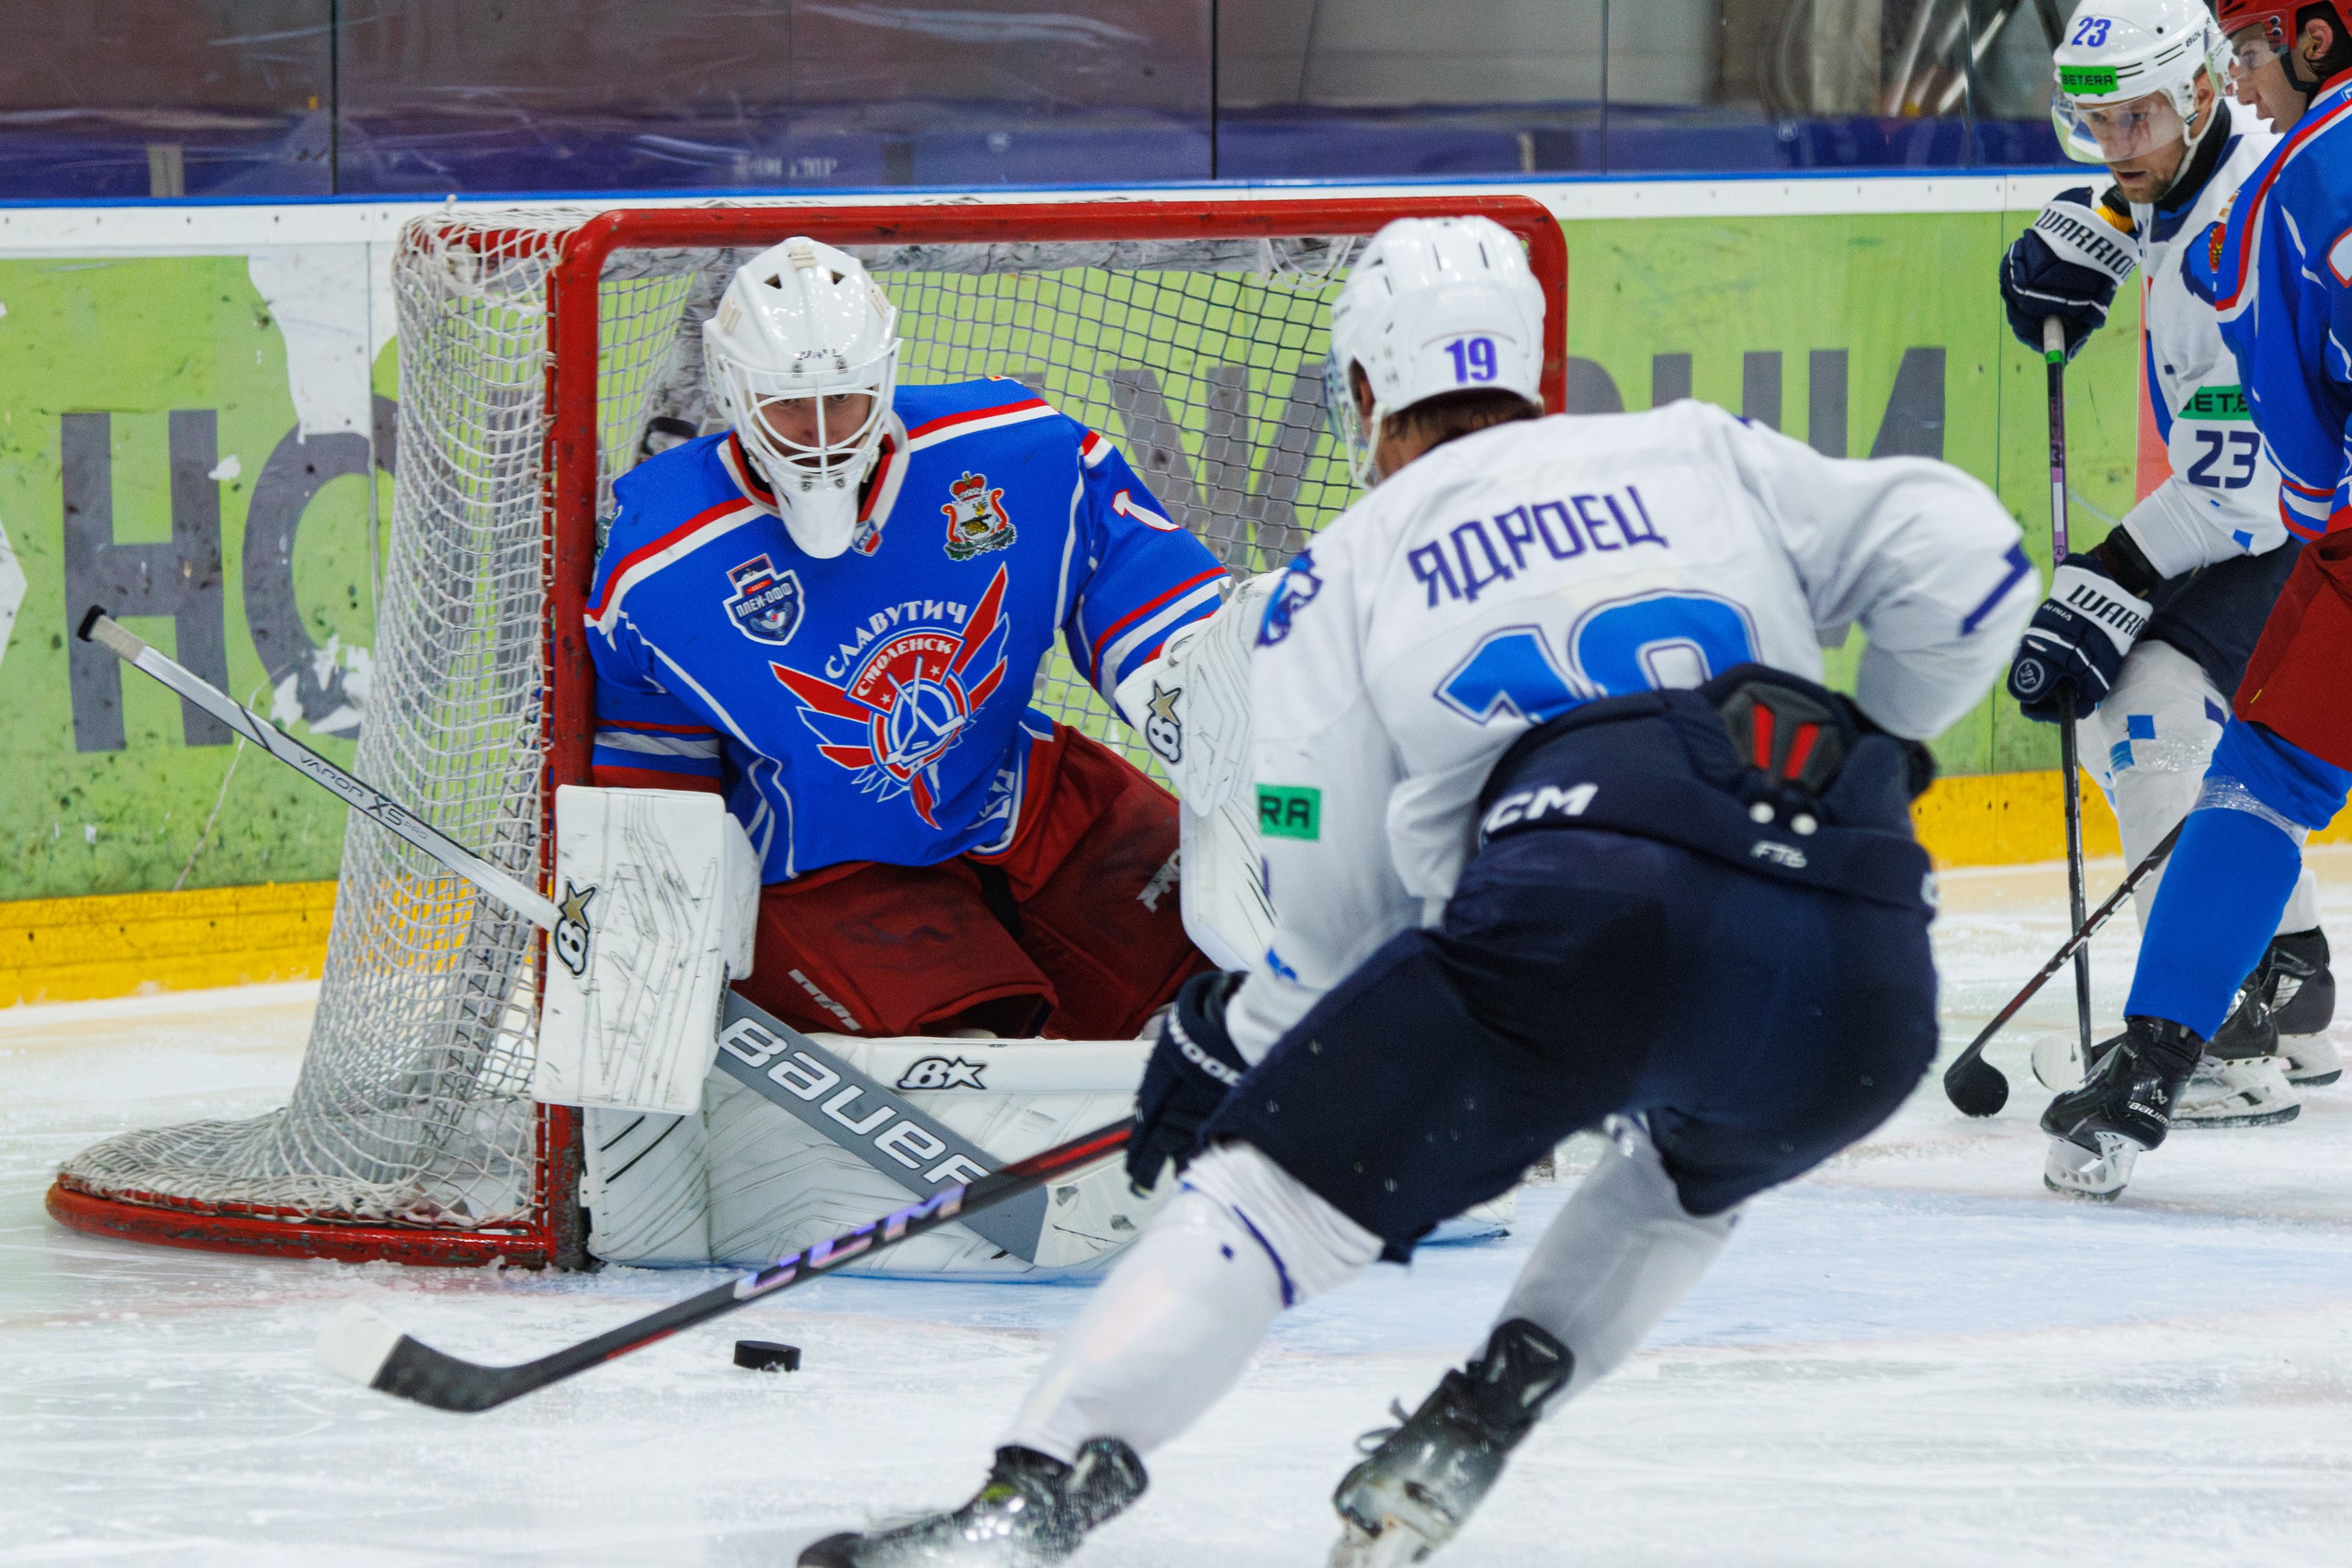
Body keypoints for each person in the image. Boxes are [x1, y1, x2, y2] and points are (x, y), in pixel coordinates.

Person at [795, 215, 2034, 1567]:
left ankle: (1027, 1505)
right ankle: (1476, 1414)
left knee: (1265, 1207)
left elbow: (1328, 935)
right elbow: (1968, 553)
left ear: (1367, 393)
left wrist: (1231, 1053)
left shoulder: (1337, 576)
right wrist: (1886, 752)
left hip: (1580, 913)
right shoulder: (1696, 448)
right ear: (1531, 363)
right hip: (1859, 975)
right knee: (1686, 1180)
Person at [585, 236, 1224, 1047]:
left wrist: (1212, 715)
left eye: (844, 398)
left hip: (1024, 797)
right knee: (968, 1071)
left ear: (883, 375)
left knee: (1232, 969)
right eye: (788, 404)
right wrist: (658, 933)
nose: (819, 434)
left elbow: (1166, 616)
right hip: (829, 869)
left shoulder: (1019, 452)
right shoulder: (654, 559)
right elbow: (652, 768)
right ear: (734, 389)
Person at [1997, 0, 2334, 1141]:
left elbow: (2243, 490)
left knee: (2139, 699)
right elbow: (2159, 200)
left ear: (2199, 90)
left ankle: (2229, 1028)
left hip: (2294, 523)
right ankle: (2288, 974)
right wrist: (2093, 224)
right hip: (2288, 511)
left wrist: (2109, 575)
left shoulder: (2231, 235)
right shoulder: (2221, 159)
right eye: (2095, 124)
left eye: (2137, 117)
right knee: (2168, 704)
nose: (2117, 146)